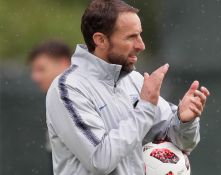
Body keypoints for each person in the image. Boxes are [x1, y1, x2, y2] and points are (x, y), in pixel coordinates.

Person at [46, 0, 210, 175]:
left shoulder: (134, 80)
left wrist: (184, 121)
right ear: (100, 40)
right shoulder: (68, 89)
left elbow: (181, 143)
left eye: (139, 35)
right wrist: (145, 108)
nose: (141, 45)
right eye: (131, 37)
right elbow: (100, 160)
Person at [28, 40, 71, 174]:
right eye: (33, 70)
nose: (35, 77)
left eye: (41, 69)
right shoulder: (56, 102)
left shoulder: (74, 103)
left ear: (64, 64)